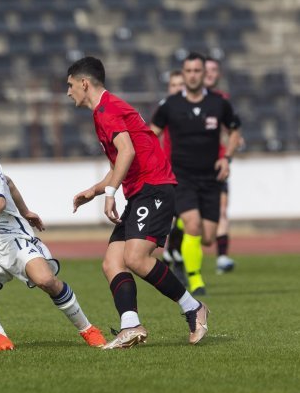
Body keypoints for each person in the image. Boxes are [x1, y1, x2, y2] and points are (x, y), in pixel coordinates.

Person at [0, 109, 107, 352]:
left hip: (11, 237)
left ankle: (88, 329)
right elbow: (8, 182)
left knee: (46, 280)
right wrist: (26, 210)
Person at [67, 56, 209, 349]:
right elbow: (124, 158)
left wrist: (109, 195)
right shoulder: (106, 110)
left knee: (135, 258)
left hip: (154, 188)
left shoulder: (106, 110)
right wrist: (94, 191)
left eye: (70, 85)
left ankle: (193, 307)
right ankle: (130, 326)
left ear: (84, 83)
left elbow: (127, 152)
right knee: (112, 263)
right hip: (142, 191)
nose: (68, 92)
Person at [151, 53, 242, 296]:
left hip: (211, 178)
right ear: (183, 73)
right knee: (193, 224)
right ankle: (196, 280)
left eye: (197, 71)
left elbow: (234, 131)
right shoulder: (170, 105)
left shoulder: (218, 104)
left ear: (205, 74)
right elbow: (151, 134)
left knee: (208, 238)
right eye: (188, 71)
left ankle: (179, 223)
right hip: (182, 177)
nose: (192, 75)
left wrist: (227, 157)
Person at [204, 57, 236, 274]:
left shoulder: (222, 100)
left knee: (221, 209)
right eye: (207, 69)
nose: (210, 74)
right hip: (190, 166)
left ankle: (222, 257)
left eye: (214, 70)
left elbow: (231, 128)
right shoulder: (183, 100)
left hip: (217, 164)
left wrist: (233, 141)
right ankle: (177, 256)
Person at [158, 70, 186, 284]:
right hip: (169, 168)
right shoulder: (165, 107)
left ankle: (172, 252)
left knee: (187, 218)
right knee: (176, 215)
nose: (177, 88)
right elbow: (152, 135)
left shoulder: (194, 106)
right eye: (174, 85)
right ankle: (175, 256)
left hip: (190, 168)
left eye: (180, 84)